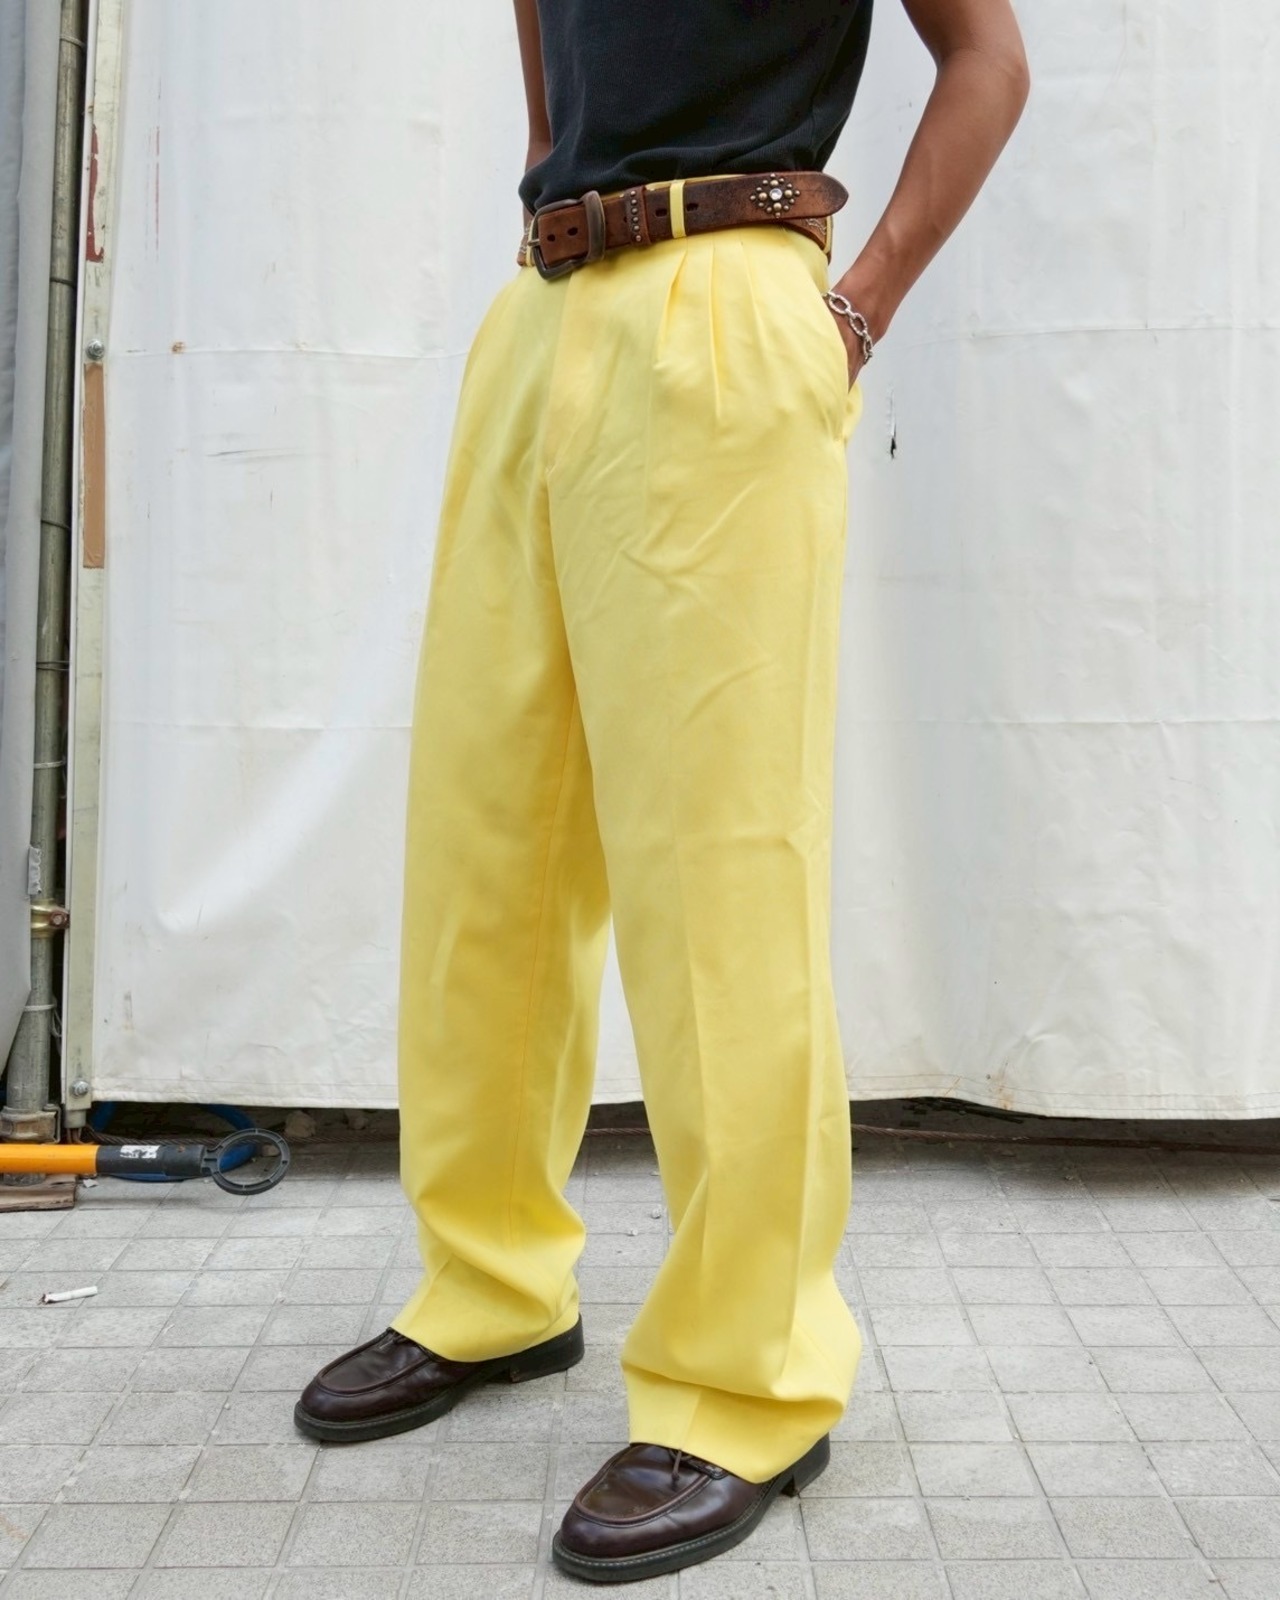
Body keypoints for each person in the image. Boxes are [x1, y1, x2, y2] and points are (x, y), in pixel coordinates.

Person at [295, 0, 1029, 1582]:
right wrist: (554, 177)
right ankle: (490, 1286)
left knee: (719, 876)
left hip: (730, 298)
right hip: (544, 314)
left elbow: (990, 58)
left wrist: (859, 305)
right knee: (486, 847)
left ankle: (746, 1377)